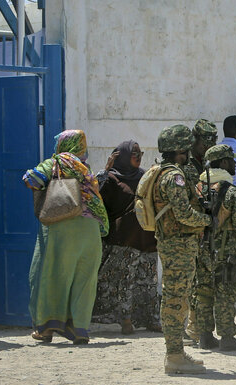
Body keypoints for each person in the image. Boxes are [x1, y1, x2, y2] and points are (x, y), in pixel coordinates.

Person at [22, 129, 109, 344]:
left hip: (62, 226)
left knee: (51, 276)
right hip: (91, 229)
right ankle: (79, 329)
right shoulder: (84, 169)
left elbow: (32, 180)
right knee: (84, 279)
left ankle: (46, 328)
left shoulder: (56, 163)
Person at [152, 124, 212, 374]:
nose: (188, 153)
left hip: (175, 243)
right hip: (178, 245)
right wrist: (208, 220)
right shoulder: (173, 177)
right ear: (179, 150)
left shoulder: (163, 172)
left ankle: (176, 351)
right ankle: (174, 355)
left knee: (177, 298)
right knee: (176, 300)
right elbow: (184, 213)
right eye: (185, 149)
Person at [194, 145, 236, 351]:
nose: (234, 164)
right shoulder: (232, 193)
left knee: (203, 293)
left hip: (201, 251)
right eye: (231, 160)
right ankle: (227, 337)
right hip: (226, 253)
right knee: (225, 293)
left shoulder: (197, 188)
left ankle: (205, 336)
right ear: (222, 163)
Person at [92, 140, 161, 335]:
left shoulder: (146, 177)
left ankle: (151, 319)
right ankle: (126, 320)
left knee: (148, 281)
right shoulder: (112, 178)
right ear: (122, 155)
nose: (138, 156)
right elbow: (96, 200)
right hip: (123, 240)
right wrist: (105, 171)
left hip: (147, 239)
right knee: (124, 282)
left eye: (140, 153)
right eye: (134, 153)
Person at [182, 119, 219, 344]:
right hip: (190, 230)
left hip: (205, 229)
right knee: (191, 282)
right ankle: (190, 329)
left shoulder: (205, 164)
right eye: (205, 142)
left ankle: (199, 329)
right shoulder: (186, 166)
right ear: (195, 140)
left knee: (205, 281)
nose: (208, 146)